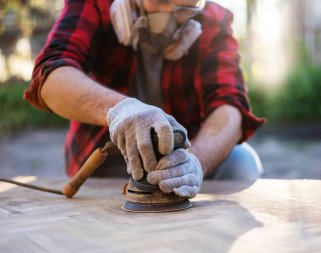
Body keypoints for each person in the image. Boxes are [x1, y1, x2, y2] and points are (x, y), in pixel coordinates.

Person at [24, 0, 266, 198]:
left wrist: (195, 163)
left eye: (184, 9)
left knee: (242, 163)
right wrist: (120, 110)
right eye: (159, 1)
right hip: (105, 158)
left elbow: (230, 105)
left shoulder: (215, 20)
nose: (169, 14)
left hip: (179, 154)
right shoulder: (94, 3)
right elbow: (50, 76)